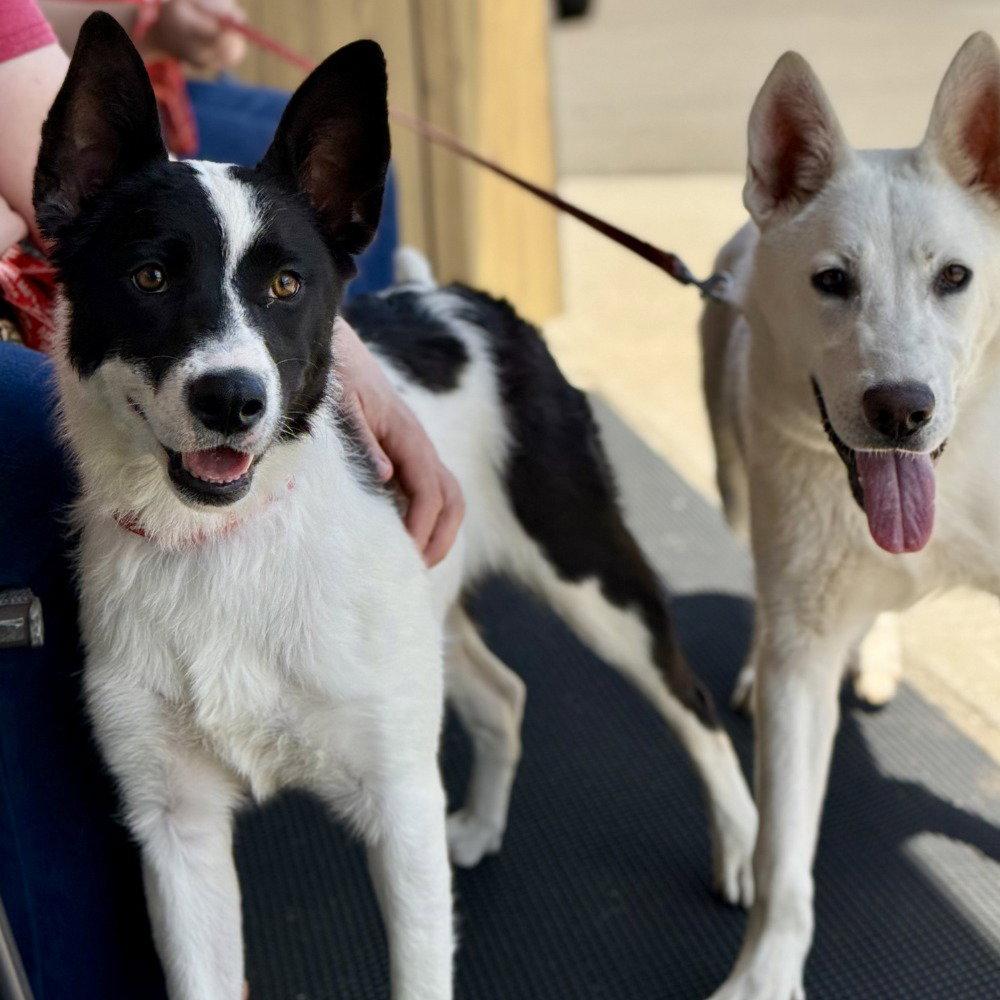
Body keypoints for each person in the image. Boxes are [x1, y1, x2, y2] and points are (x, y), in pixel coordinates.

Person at [0, 2, 462, 995]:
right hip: (126, 548)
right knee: (168, 814)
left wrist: (374, 390)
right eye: (156, 276)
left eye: (282, 287)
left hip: (312, 534)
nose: (227, 369)